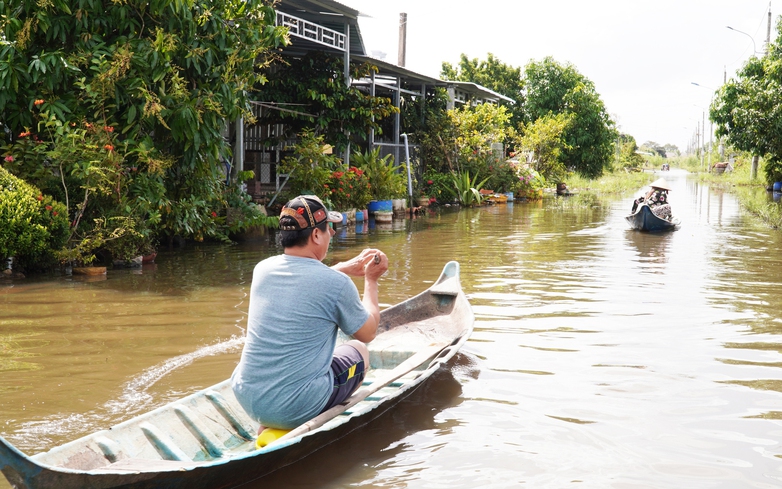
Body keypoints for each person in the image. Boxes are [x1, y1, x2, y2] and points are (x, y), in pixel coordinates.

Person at [230, 194, 388, 432]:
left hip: (247, 396)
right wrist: (371, 280)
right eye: (328, 229)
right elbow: (368, 331)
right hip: (295, 405)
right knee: (360, 351)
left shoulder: (262, 269)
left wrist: (341, 269)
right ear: (316, 235)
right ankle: (301, 416)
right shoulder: (336, 284)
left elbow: (302, 284)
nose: (332, 234)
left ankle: (269, 421)